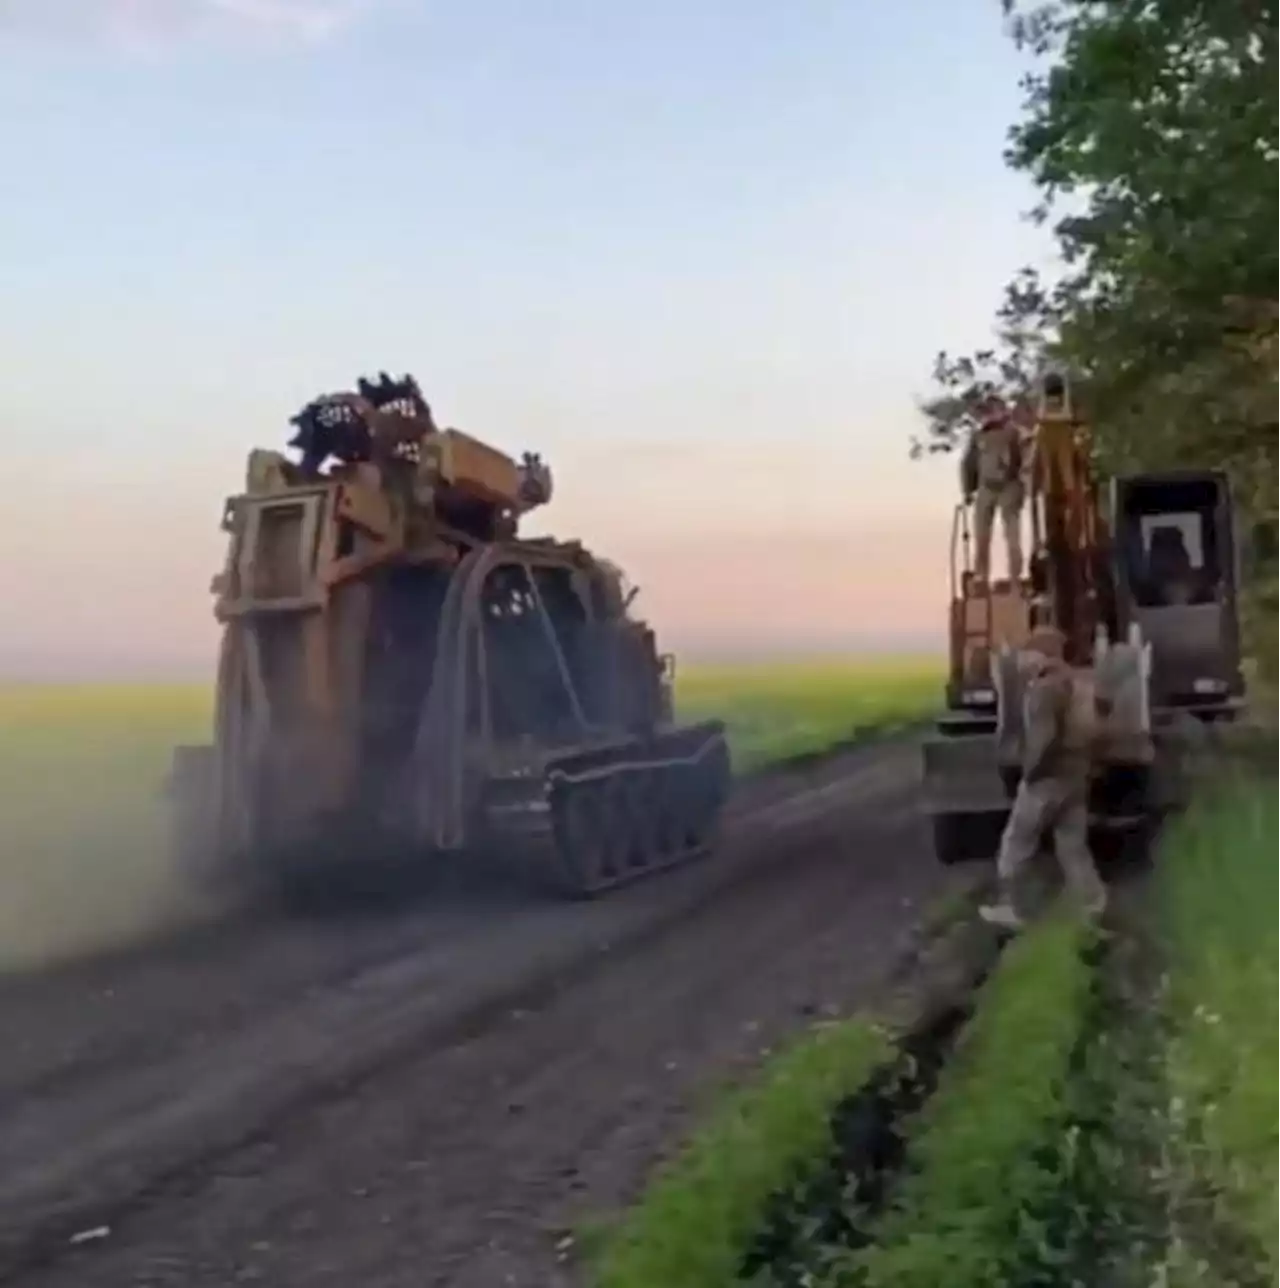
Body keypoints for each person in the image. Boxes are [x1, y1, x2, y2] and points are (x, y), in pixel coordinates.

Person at [979, 625, 1108, 931]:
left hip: (1047, 779)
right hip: (1077, 775)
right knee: (1072, 845)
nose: (1023, 659)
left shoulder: (1044, 689)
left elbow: (1043, 738)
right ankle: (1094, 905)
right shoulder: (1077, 683)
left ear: (1041, 654)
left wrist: (1029, 772)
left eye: (1028, 652)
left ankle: (1014, 908)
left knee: (1016, 843)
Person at [961, 396, 1025, 585]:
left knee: (1012, 536)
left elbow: (1023, 459)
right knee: (982, 536)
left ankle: (1015, 576)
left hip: (1009, 486)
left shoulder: (1013, 432)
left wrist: (1022, 485)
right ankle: (982, 575)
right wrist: (967, 489)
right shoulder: (979, 435)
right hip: (986, 487)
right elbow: (969, 463)